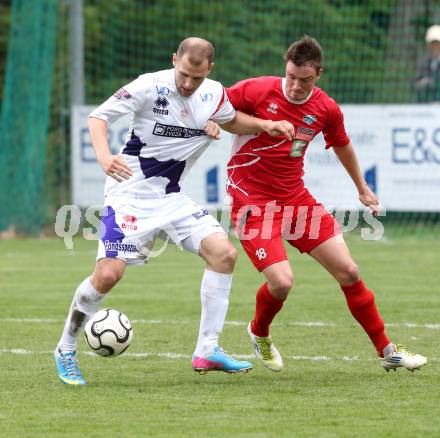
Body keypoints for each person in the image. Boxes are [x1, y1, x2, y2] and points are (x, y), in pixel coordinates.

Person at [54, 37, 294, 385]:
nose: (187, 83)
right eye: (182, 74)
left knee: (224, 255)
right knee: (108, 275)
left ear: (209, 70)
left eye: (195, 77)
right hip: (128, 196)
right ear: (173, 61)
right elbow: (98, 117)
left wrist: (264, 125)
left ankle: (207, 350)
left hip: (171, 197)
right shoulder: (149, 86)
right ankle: (66, 348)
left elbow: (231, 119)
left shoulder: (213, 93)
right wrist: (105, 157)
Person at [226, 35, 427, 373]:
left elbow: (342, 144)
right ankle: (258, 331)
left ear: (318, 74)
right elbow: (216, 108)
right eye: (290, 76)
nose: (293, 85)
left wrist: (362, 188)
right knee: (282, 282)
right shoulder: (257, 90)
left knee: (348, 271)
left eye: (303, 79)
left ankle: (387, 351)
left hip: (295, 200)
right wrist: (207, 122)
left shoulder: (326, 108)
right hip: (252, 202)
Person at [414, 24, 440, 102]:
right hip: (426, 105)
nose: (435, 47)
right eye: (432, 44)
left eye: (437, 44)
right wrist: (424, 82)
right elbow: (416, 83)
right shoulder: (424, 63)